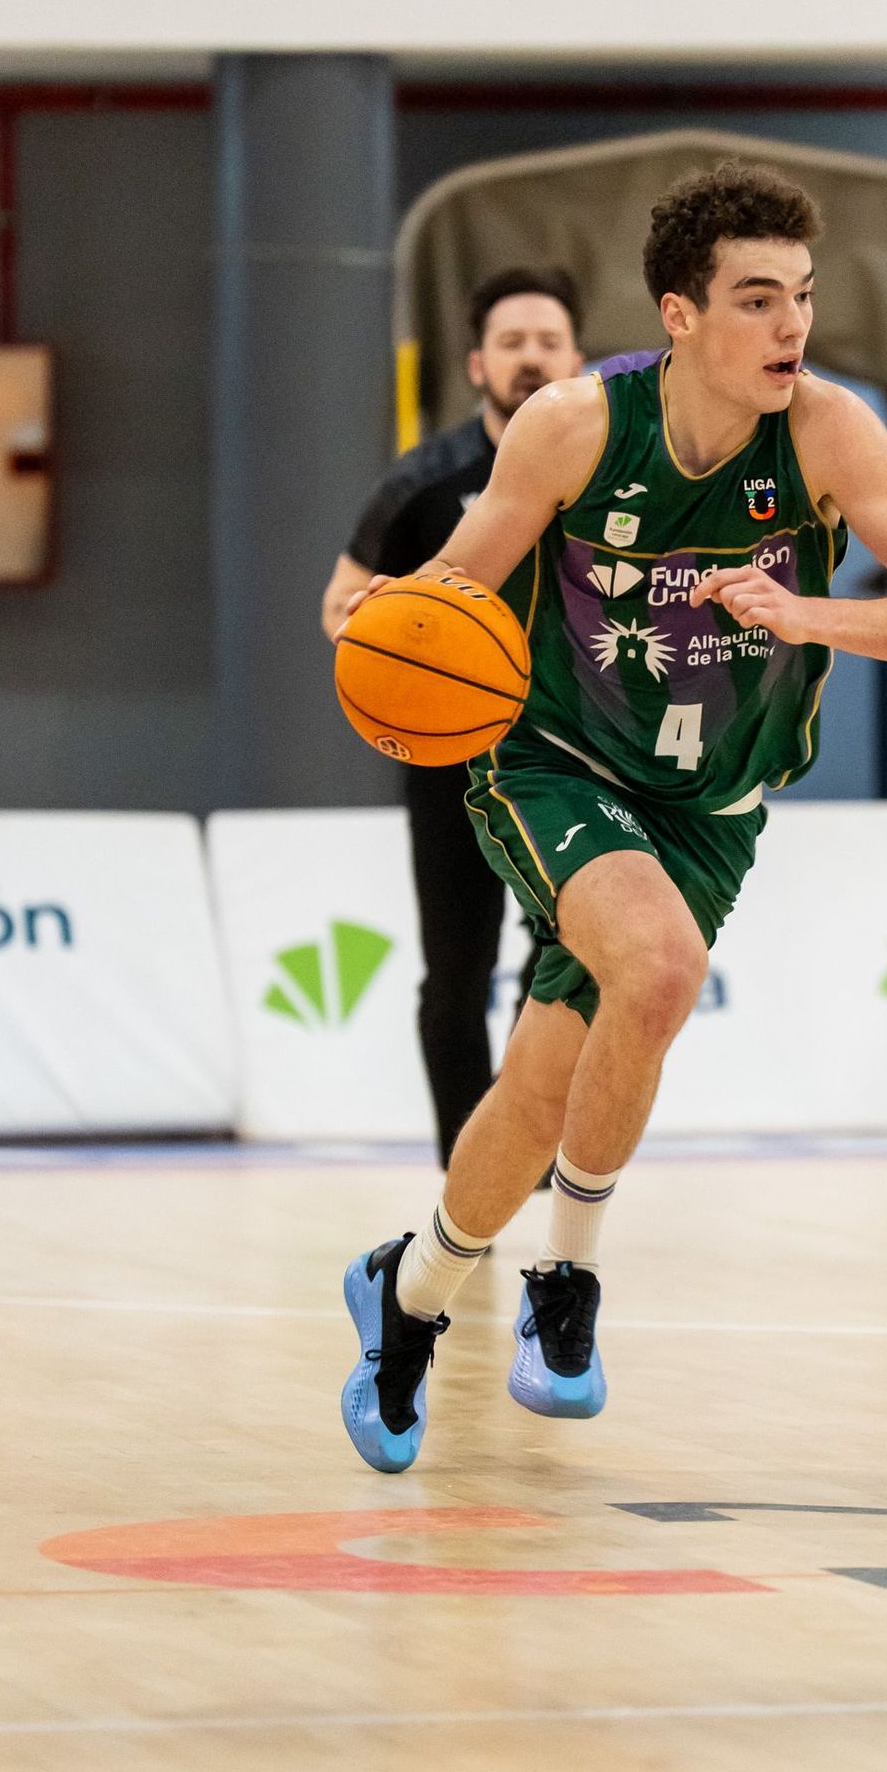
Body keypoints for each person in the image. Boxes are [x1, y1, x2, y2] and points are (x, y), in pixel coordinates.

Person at [336, 160, 887, 1472]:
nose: (791, 327)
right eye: (757, 300)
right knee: (661, 966)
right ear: (679, 314)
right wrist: (389, 645)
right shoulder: (573, 426)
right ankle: (565, 1286)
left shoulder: (829, 432)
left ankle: (406, 1296)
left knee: (535, 1094)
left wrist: (810, 613)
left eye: (802, 297)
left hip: (713, 801)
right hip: (560, 763)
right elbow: (455, 589)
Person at [321, 266, 584, 1168]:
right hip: (450, 756)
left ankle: (524, 1147)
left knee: (564, 957)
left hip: (571, 749)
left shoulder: (605, 470)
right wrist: (390, 641)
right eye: (512, 343)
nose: (531, 358)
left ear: (577, 354)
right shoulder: (423, 483)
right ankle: (462, 1166)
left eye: (548, 341)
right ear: (477, 363)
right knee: (457, 971)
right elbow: (342, 603)